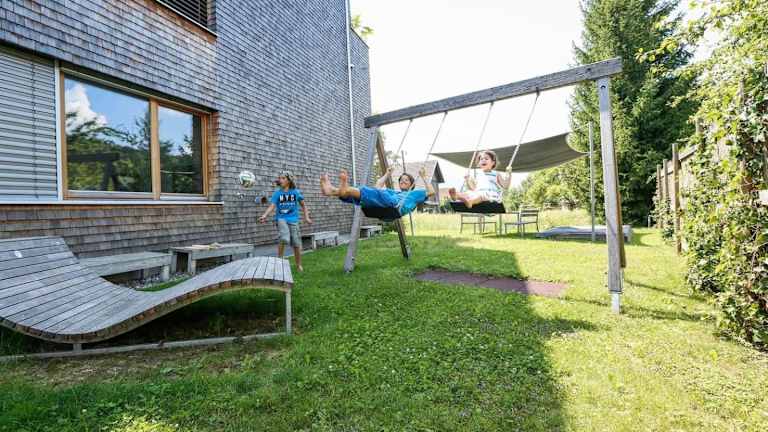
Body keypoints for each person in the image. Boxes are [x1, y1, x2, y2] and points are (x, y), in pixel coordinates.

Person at [320, 166, 435, 217]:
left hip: (394, 205)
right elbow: (377, 186)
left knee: (371, 191)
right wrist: (387, 174)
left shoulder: (414, 194)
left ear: (411, 184)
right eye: (401, 180)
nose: (403, 181)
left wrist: (424, 176)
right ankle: (333, 191)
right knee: (360, 196)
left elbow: (431, 192)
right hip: (386, 203)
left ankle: (340, 189)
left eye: (406, 180)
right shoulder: (394, 192)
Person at [259, 171, 312, 272]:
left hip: (293, 220)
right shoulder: (277, 193)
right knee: (284, 238)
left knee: (296, 243)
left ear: (289, 180)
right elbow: (272, 206)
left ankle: (298, 265)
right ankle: (280, 263)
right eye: (280, 178)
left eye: (283, 178)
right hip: (281, 219)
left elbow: (304, 206)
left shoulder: (295, 192)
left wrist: (307, 217)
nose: (281, 180)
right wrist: (264, 215)